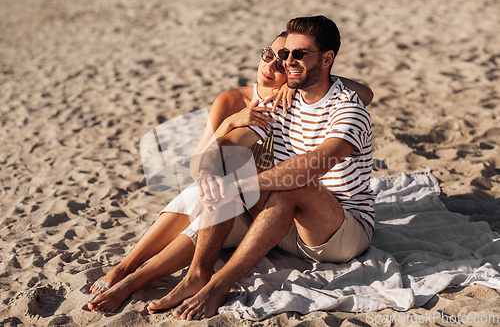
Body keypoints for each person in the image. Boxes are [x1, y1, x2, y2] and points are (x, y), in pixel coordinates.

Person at [87, 30, 373, 313]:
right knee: (223, 173)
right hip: (284, 220)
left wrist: (239, 185)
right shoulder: (277, 103)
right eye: (280, 55)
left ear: (326, 59)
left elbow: (310, 168)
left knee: (288, 184)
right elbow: (221, 150)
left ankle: (218, 284)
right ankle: (156, 278)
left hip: (338, 227)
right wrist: (215, 171)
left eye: (297, 54)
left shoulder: (348, 107)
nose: (283, 63)